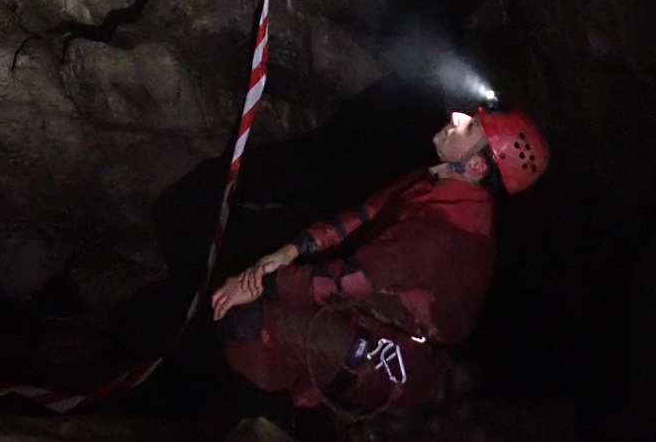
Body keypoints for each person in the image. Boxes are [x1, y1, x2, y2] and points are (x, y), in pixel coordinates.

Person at [210, 107, 549, 415]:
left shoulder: (447, 232)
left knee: (242, 314)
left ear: (476, 166)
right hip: (375, 309)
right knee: (267, 281)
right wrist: (290, 251)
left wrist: (258, 284)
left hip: (386, 352)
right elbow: (364, 215)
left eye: (471, 126)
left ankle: (261, 412)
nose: (458, 116)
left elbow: (347, 282)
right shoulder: (437, 181)